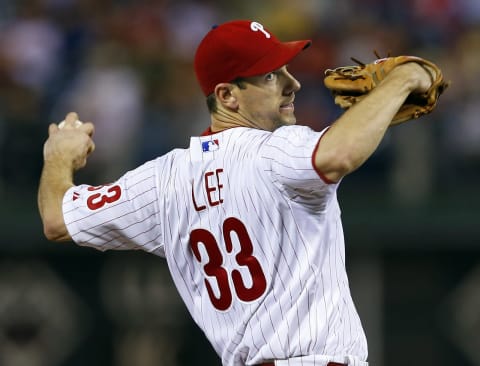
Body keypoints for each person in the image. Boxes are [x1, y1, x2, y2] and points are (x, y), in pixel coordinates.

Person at [38, 20, 434, 366]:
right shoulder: (275, 151)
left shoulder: (161, 181)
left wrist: (58, 156)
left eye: (285, 70)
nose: (292, 83)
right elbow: (340, 153)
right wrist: (401, 80)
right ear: (227, 96)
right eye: (270, 76)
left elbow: (57, 218)